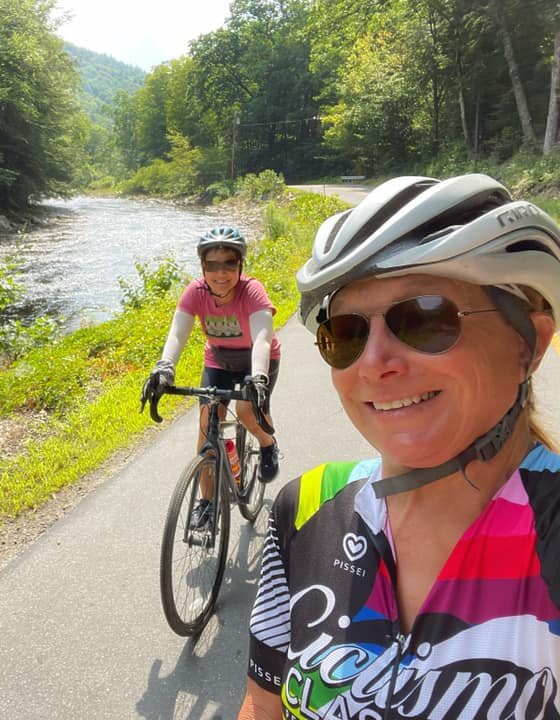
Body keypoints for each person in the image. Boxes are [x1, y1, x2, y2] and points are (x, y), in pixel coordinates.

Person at [240, 173, 560, 719]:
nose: (373, 362)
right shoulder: (306, 508)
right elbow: (260, 705)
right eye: (346, 333)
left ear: (529, 345)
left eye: (425, 319)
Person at [141, 226, 281, 530]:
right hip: (218, 359)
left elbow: (262, 338)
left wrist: (257, 376)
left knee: (246, 412)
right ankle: (206, 503)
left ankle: (267, 443)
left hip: (256, 361)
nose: (221, 273)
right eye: (212, 265)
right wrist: (165, 366)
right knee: (206, 428)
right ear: (203, 267)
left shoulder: (252, 291)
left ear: (240, 265)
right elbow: (177, 333)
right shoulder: (196, 292)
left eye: (229, 263)